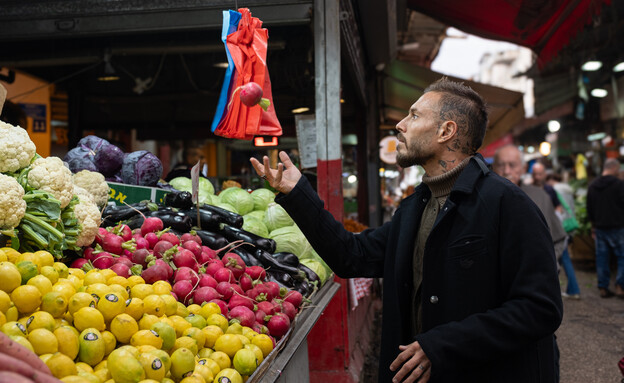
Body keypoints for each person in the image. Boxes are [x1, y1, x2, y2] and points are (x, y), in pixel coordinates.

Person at [250, 78, 563, 383]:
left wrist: (441, 346)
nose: (400, 125)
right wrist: (296, 194)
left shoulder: (507, 204)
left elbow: (539, 308)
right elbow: (350, 256)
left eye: (414, 115)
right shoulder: (414, 208)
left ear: (446, 131)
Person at [493, 145, 567, 264]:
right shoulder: (484, 199)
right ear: (493, 168)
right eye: (501, 165)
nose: (507, 171)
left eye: (512, 165)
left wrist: (548, 265)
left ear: (523, 168)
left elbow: (558, 238)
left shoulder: (540, 196)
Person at [586, 158, 624, 299]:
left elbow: (589, 207)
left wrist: (593, 225)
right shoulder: (619, 185)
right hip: (618, 226)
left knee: (602, 258)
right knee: (622, 257)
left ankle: (603, 287)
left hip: (600, 227)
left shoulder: (593, 185)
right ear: (614, 168)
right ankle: (620, 286)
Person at [546, 172, 582, 299]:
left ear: (551, 180)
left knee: (564, 259)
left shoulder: (554, 190)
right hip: (568, 226)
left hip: (560, 228)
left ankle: (573, 289)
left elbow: (558, 210)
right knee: (561, 258)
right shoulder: (568, 190)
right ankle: (570, 289)